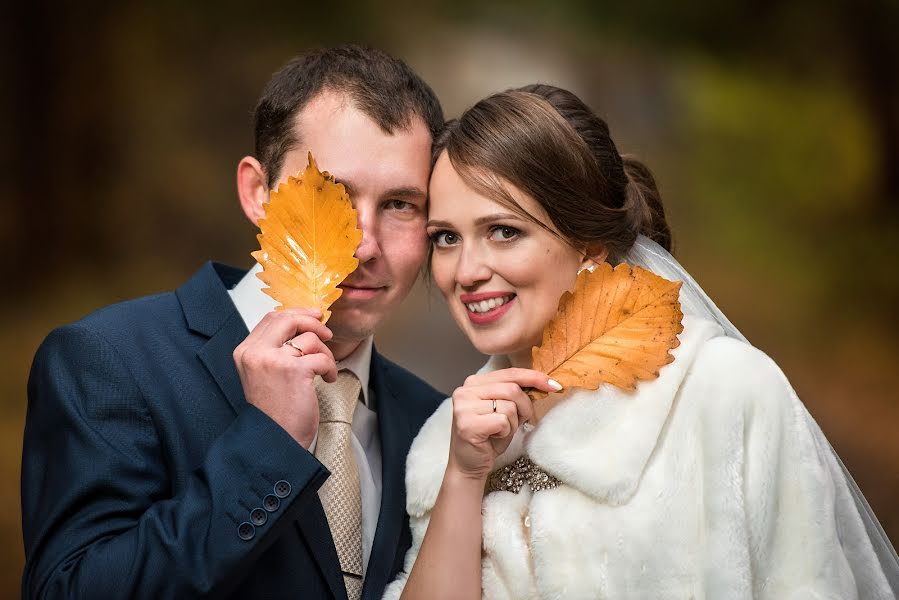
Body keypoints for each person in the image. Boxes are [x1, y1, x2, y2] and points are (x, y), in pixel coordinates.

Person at [384, 85, 899, 599]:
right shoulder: (443, 444)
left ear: (588, 244)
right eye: (446, 238)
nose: (466, 272)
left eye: (503, 231)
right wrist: (463, 478)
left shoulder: (724, 392)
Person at [21, 45, 447, 599]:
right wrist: (267, 444)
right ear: (258, 193)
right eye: (332, 196)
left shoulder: (432, 420)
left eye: (400, 205)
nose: (364, 245)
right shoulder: (108, 361)